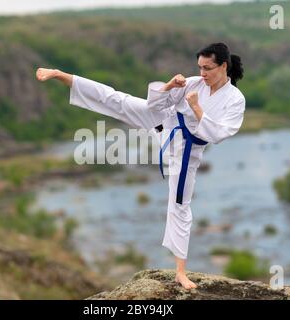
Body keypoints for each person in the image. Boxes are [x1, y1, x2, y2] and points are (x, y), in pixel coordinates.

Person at [36, 42, 245, 289]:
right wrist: (169, 86)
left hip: (186, 149)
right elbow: (154, 105)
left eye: (207, 68)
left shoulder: (235, 100)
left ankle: (180, 271)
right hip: (164, 120)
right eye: (199, 67)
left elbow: (218, 134)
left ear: (223, 66)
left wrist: (197, 107)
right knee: (118, 100)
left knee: (179, 203)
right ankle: (62, 75)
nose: (202, 74)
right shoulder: (193, 82)